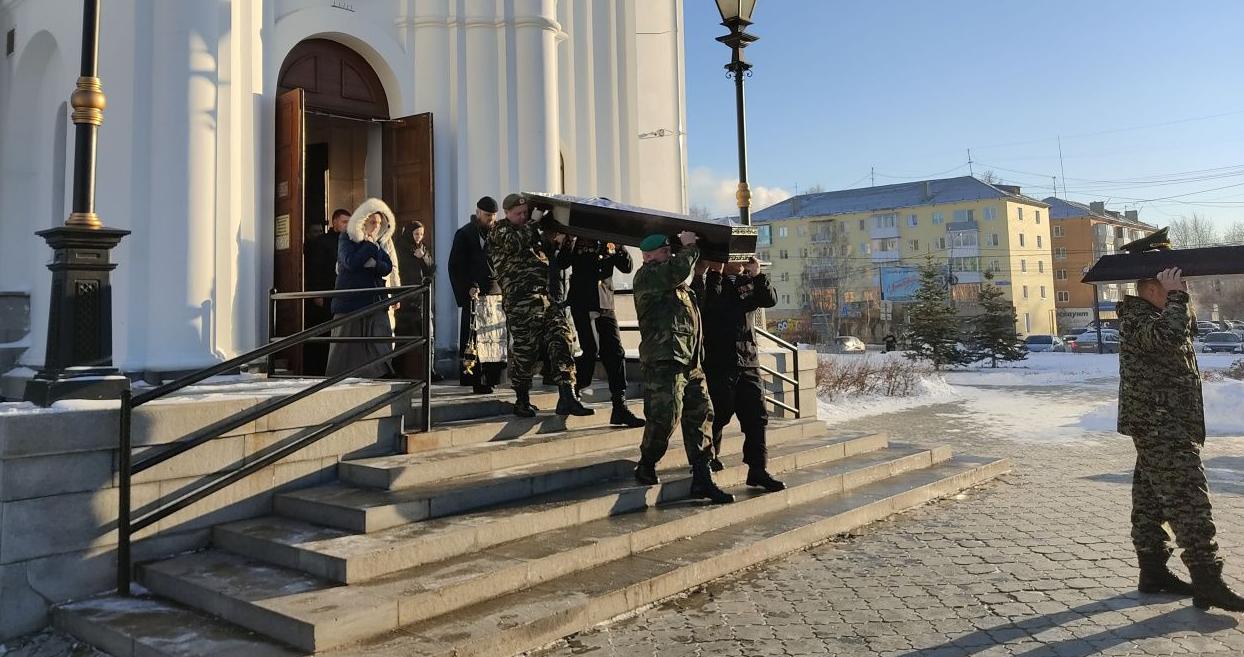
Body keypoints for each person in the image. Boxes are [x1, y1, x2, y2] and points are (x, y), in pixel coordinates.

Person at [1118, 266, 1244, 611]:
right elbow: (1168, 336)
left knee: (1150, 501)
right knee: (1189, 499)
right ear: (1152, 290)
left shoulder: (1159, 314)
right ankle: (1208, 580)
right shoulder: (1136, 318)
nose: (1182, 290)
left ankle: (1153, 571)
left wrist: (1177, 297)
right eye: (1173, 285)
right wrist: (1175, 297)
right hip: (1162, 427)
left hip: (1165, 424)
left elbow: (1184, 327)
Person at [631, 231, 733, 504]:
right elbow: (677, 269)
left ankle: (702, 476)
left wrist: (700, 271)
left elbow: (691, 310)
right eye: (665, 252)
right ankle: (647, 463)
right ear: (649, 255)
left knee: (701, 415)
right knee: (665, 418)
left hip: (690, 361)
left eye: (670, 252)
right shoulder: (647, 276)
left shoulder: (678, 287)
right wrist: (690, 248)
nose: (670, 255)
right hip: (664, 362)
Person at [488, 193, 591, 417]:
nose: (523, 217)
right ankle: (522, 399)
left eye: (526, 213)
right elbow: (516, 243)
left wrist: (561, 240)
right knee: (527, 352)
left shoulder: (531, 232)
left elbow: (549, 255)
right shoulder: (500, 230)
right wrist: (534, 222)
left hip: (545, 298)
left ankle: (567, 395)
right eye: (519, 214)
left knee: (562, 338)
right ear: (507, 213)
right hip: (520, 302)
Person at [698, 257, 784, 492]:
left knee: (757, 416)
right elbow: (710, 307)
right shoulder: (711, 282)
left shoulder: (747, 283)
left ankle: (758, 469)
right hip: (719, 361)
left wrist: (757, 275)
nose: (741, 262)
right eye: (734, 258)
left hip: (747, 359)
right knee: (719, 413)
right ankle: (708, 459)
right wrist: (716, 272)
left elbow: (769, 299)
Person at [569, 238, 644, 427]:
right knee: (590, 350)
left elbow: (627, 267)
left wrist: (619, 246)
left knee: (616, 353)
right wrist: (566, 242)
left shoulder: (609, 240)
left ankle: (620, 406)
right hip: (583, 302)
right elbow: (562, 261)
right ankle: (574, 388)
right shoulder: (578, 238)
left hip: (605, 302)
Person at [325, 198, 401, 379]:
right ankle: (341, 378)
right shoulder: (347, 238)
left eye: (380, 223)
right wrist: (367, 247)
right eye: (373, 222)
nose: (376, 226)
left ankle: (382, 372)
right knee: (347, 348)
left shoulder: (377, 242)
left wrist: (372, 264)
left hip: (375, 301)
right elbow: (350, 262)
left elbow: (387, 266)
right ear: (364, 221)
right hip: (352, 301)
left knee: (379, 338)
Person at [448, 197, 505, 393]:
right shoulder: (465, 234)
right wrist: (468, 287)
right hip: (475, 293)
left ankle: (492, 377)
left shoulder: (498, 233)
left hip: (495, 291)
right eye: (487, 215)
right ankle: (476, 381)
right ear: (478, 212)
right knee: (476, 339)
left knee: (494, 337)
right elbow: (455, 266)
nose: (491, 219)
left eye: (493, 216)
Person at [303, 208, 351, 374]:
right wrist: (317, 292)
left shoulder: (350, 240)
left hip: (344, 294)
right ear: (335, 222)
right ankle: (320, 369)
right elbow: (315, 269)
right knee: (325, 330)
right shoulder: (322, 242)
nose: (347, 225)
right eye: (344, 221)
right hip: (327, 293)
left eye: (349, 222)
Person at [393, 220, 436, 380]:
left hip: (421, 298)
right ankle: (400, 370)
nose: (419, 237)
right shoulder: (400, 248)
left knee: (428, 334)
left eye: (421, 234)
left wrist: (423, 257)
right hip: (405, 298)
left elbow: (431, 269)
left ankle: (429, 370)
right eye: (416, 234)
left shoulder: (422, 248)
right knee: (403, 336)